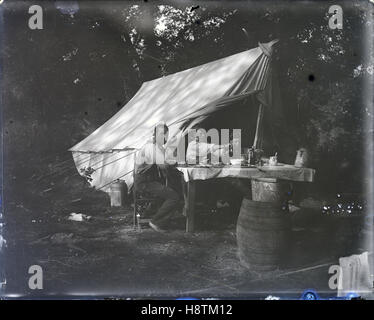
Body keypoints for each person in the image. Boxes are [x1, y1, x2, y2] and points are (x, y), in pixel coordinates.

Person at [135, 123, 182, 232]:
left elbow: (165, 161)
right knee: (174, 196)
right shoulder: (151, 147)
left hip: (149, 180)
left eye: (165, 134)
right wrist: (174, 162)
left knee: (175, 187)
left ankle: (158, 216)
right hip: (144, 183)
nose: (164, 137)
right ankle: (156, 222)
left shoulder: (156, 146)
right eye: (161, 134)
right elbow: (163, 165)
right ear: (155, 135)